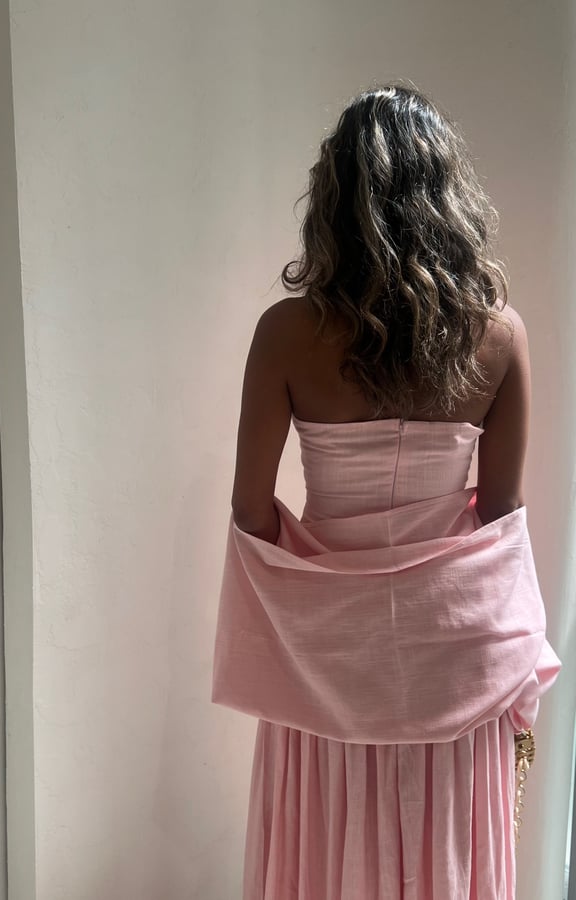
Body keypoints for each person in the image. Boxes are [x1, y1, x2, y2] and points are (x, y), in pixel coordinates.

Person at [211, 83, 561, 900]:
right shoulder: (499, 335)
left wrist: (317, 601)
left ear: (334, 198)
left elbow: (251, 510)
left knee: (327, 843)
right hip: (455, 656)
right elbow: (501, 514)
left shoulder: (286, 333)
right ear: (448, 198)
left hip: (326, 660)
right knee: (445, 844)